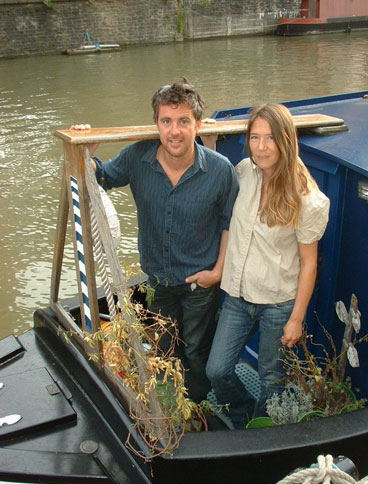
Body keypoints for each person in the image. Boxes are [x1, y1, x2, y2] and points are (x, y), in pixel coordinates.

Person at [71, 79, 238, 402]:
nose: (174, 131)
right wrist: (84, 150)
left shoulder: (220, 171)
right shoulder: (137, 158)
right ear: (156, 124)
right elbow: (99, 177)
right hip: (156, 281)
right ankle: (171, 404)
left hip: (199, 284)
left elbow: (230, 223)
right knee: (164, 349)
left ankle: (198, 408)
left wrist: (217, 272)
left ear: (197, 125)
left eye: (183, 122)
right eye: (166, 121)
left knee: (197, 352)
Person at [205, 103, 330, 429]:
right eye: (255, 137)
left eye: (270, 138)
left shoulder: (307, 199)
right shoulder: (246, 171)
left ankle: (260, 433)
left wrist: (297, 319)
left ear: (286, 140)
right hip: (237, 297)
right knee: (217, 369)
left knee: (271, 380)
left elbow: (308, 263)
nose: (260, 147)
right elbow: (213, 179)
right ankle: (241, 411)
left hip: (278, 303)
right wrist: (206, 143)